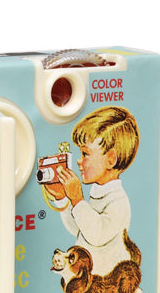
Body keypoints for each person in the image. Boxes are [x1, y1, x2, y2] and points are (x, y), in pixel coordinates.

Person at [46, 106, 140, 276]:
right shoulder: (99, 193)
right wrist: (63, 199)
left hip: (108, 281)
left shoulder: (118, 201)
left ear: (110, 160)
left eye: (85, 154)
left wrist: (77, 199)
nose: (79, 161)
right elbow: (80, 229)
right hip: (90, 279)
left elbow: (96, 235)